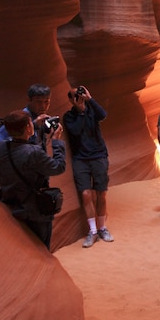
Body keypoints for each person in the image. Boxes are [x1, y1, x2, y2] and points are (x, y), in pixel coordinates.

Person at [0, 109, 66, 250]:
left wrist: (34, 125)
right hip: (34, 212)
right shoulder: (33, 152)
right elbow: (58, 167)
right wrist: (56, 142)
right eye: (30, 123)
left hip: (11, 206)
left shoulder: (2, 147)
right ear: (28, 128)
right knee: (40, 251)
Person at [63, 85, 113, 248]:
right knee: (85, 194)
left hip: (98, 156)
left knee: (101, 194)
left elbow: (103, 115)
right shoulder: (69, 117)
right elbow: (75, 131)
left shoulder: (92, 110)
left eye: (80, 94)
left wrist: (90, 99)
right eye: (74, 96)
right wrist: (81, 111)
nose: (78, 97)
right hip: (81, 159)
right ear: (70, 100)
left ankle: (102, 228)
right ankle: (92, 231)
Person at [0, 83, 54, 151]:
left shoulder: (41, 118)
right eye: (38, 102)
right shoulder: (19, 119)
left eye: (46, 102)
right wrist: (34, 126)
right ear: (29, 100)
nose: (43, 106)